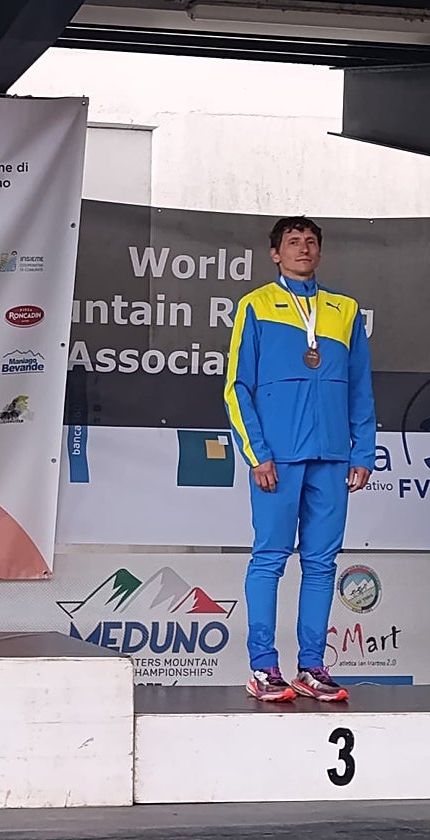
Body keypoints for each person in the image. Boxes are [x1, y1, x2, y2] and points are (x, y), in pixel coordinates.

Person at [224, 216, 375, 702]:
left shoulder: (345, 309)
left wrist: (363, 450)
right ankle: (264, 666)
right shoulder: (256, 306)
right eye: (293, 242)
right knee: (269, 558)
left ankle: (311, 666)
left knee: (322, 563)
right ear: (275, 253)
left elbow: (360, 389)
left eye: (311, 242)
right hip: (278, 457)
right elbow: (237, 387)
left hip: (332, 455)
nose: (303, 248)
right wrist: (257, 453)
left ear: (320, 252)